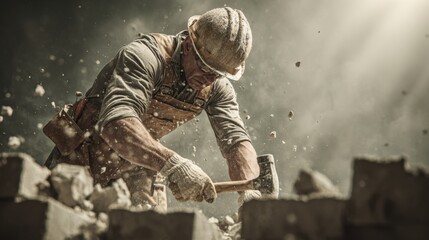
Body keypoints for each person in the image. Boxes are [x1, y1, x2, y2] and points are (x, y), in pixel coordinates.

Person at [44, 7, 263, 211]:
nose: (209, 80)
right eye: (205, 69)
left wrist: (249, 190)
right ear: (188, 46)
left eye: (218, 74)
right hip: (83, 155)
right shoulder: (145, 56)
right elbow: (115, 124)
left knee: (150, 228)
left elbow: (236, 141)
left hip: (139, 162)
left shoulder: (217, 87)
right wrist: (174, 165)